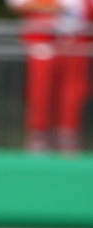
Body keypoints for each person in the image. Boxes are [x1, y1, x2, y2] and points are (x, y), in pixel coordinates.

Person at [7, 0, 93, 152]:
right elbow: (19, 4)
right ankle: (39, 136)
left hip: (77, 42)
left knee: (74, 91)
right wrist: (56, 7)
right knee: (41, 91)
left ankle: (68, 137)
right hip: (44, 43)